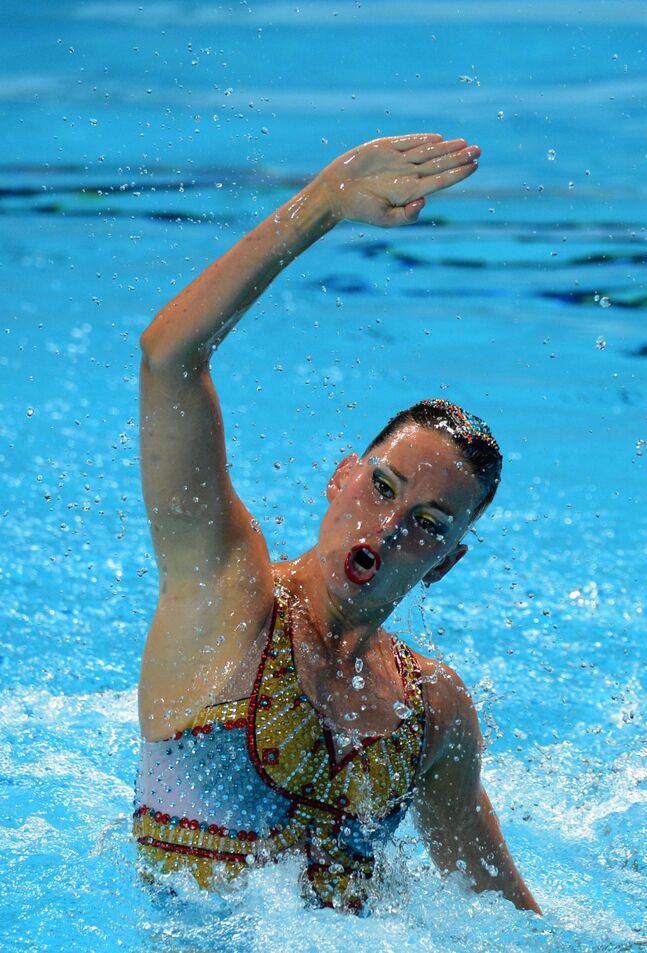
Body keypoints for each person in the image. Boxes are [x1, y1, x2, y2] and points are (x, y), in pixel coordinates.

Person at [134, 134, 539, 913]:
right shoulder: (227, 604)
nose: (387, 526)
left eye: (426, 523)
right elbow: (168, 358)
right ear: (339, 477)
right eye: (381, 486)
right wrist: (322, 204)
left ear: (446, 563)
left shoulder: (434, 711)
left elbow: (500, 913)